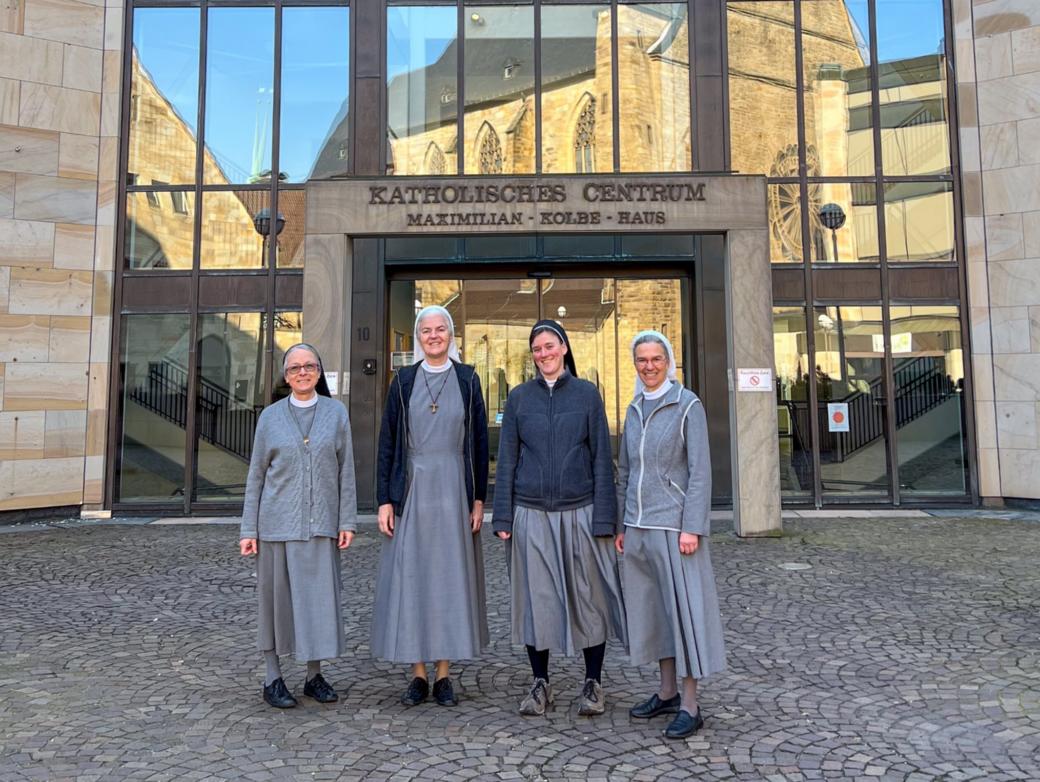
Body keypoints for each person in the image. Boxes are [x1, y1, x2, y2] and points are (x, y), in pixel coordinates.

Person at [493, 319, 626, 717]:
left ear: (564, 348)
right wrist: (503, 515)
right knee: (536, 601)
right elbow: (508, 459)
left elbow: (603, 457)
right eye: (537, 349)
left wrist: (606, 518)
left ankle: (593, 682)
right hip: (530, 512)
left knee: (589, 598)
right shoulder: (519, 399)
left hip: (580, 511)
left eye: (550, 346)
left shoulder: (587, 395)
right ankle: (540, 682)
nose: (544, 354)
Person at [371, 305, 490, 707]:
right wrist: (384, 499)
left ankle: (443, 674)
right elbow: (388, 442)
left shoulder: (468, 378)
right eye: (426, 330)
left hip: (454, 488)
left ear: (451, 335)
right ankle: (417, 674)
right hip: (413, 488)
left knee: (448, 580)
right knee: (413, 578)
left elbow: (478, 443)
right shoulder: (402, 381)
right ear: (418, 337)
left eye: (441, 329)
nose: (434, 336)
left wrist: (478, 499)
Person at [615, 330, 726, 739]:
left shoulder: (687, 405)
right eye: (642, 359)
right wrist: (624, 524)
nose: (649, 366)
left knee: (685, 616)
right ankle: (664, 692)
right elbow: (626, 471)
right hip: (640, 528)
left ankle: (690, 704)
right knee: (656, 614)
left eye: (656, 358)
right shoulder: (633, 408)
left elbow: (700, 471)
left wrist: (692, 526)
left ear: (668, 361)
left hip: (675, 528)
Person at [239, 343, 357, 709]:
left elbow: (346, 472)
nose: (302, 373)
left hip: (321, 525)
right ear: (286, 376)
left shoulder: (336, 414)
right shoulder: (270, 418)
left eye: (309, 367)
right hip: (275, 527)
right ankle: (272, 677)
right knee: (275, 606)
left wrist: (347, 520)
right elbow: (256, 476)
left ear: (319, 372)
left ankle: (313, 675)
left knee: (317, 604)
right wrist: (248, 530)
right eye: (294, 368)